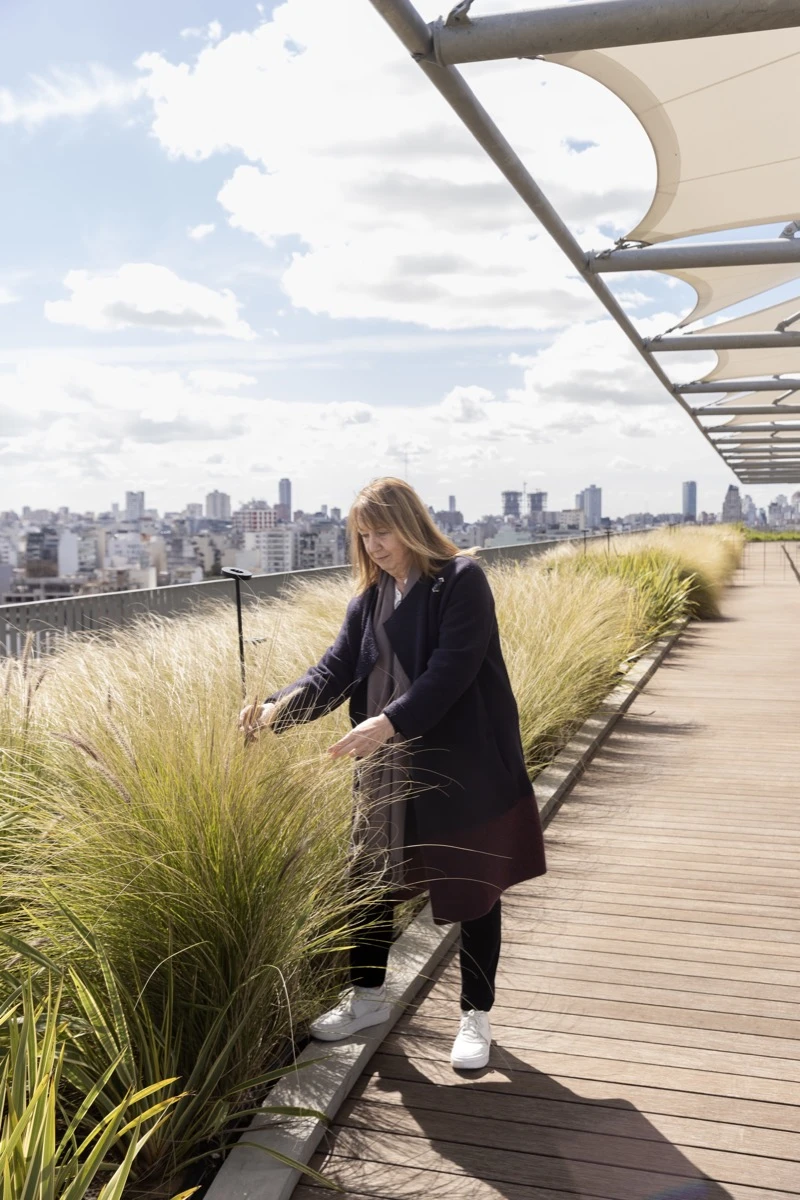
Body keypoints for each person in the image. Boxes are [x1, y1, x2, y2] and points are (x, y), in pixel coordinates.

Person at [239, 477, 545, 1070]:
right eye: (364, 535)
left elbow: (450, 672)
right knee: (370, 878)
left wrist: (386, 722)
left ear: (411, 524)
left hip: (460, 762)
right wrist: (276, 710)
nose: (374, 545)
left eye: (383, 532)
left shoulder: (461, 580)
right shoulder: (372, 597)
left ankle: (475, 1016)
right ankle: (367, 998)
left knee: (473, 887)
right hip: (387, 765)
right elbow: (332, 673)